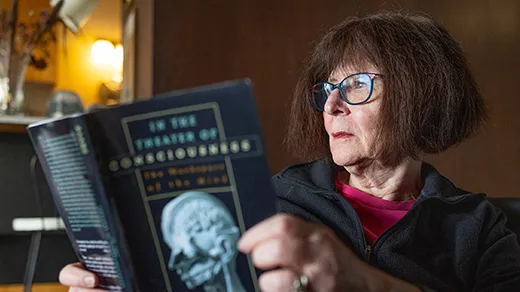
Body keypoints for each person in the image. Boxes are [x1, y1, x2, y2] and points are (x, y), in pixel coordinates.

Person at [58, 11, 520, 292]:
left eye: (357, 85)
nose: (332, 105)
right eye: (326, 90)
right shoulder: (272, 200)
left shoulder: (479, 226)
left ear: (422, 95)